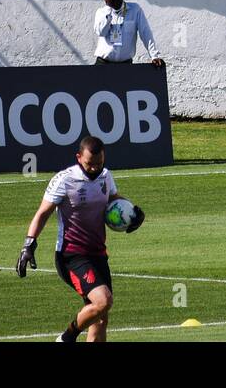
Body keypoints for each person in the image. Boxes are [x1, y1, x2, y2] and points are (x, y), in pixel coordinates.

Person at [16, 135, 145, 343]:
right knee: (103, 301)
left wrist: (134, 211)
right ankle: (67, 337)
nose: (95, 168)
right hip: (71, 256)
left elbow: (113, 198)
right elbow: (42, 213)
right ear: (78, 157)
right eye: (90, 164)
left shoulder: (105, 176)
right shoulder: (65, 180)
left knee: (100, 318)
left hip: (98, 254)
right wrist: (28, 244)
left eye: (99, 163)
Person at [94, 0, 165, 67]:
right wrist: (109, 10)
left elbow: (145, 32)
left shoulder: (135, 10)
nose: (115, 1)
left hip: (125, 65)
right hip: (103, 64)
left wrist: (154, 55)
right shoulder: (101, 12)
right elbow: (101, 32)